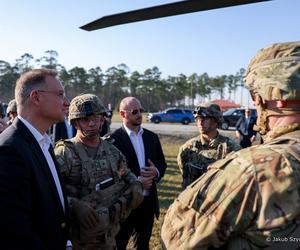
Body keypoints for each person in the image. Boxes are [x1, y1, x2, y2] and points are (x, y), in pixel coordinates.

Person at [161, 41, 300, 249]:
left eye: (256, 93)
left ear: (279, 95)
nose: (255, 101)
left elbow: (177, 240)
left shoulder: (249, 166)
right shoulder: (188, 148)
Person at [54, 93, 143, 250]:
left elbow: (125, 174)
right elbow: (50, 192)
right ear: (75, 123)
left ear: (103, 119)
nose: (91, 124)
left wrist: (135, 184)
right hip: (77, 241)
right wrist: (74, 205)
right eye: (85, 119)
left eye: (95, 118)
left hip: (109, 237)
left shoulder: (112, 151)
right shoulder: (65, 153)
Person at [0, 69, 70, 250]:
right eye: (60, 94)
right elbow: (15, 231)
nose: (66, 102)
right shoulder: (9, 150)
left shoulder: (43, 142)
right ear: (36, 98)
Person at [108, 96, 167, 250]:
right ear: (122, 114)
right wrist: (136, 182)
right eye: (134, 111)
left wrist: (156, 172)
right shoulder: (112, 141)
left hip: (147, 204)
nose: (139, 114)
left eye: (140, 110)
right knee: (118, 245)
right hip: (124, 204)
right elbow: (110, 174)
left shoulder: (151, 137)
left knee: (142, 246)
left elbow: (162, 163)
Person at [178, 103, 241, 188]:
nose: (200, 122)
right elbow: (184, 172)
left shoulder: (232, 149)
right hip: (193, 199)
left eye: (205, 118)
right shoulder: (187, 148)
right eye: (198, 118)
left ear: (216, 121)